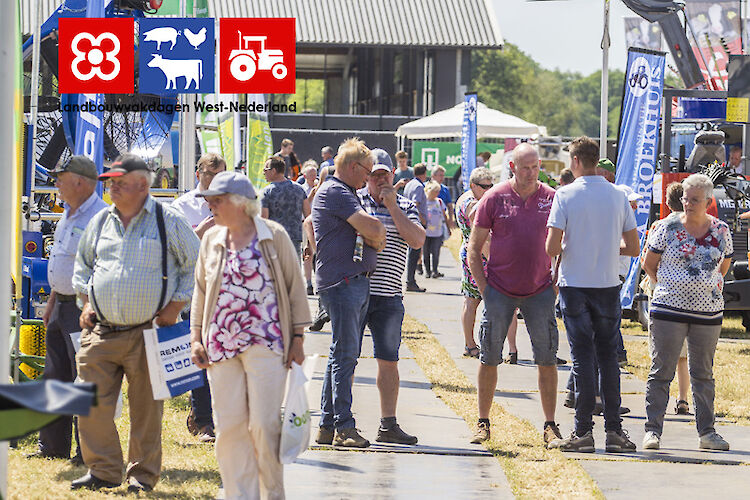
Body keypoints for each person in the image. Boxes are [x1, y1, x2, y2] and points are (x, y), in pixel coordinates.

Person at [71, 154, 200, 491]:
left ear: (143, 185)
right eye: (109, 182)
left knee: (146, 412)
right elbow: (83, 265)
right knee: (87, 401)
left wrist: (175, 306)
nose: (111, 188)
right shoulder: (101, 220)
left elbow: (196, 264)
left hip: (149, 332)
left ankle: (141, 477)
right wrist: (85, 302)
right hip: (100, 331)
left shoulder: (167, 220)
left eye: (118, 182)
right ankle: (104, 470)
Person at [189, 171, 309, 499]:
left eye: (218, 200)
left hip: (267, 343)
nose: (210, 206)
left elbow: (294, 287)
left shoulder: (274, 236)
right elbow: (200, 291)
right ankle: (238, 494)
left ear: (241, 205)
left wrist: (298, 337)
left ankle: (271, 493)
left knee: (264, 426)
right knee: (228, 427)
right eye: (209, 200)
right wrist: (196, 337)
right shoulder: (212, 239)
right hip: (220, 345)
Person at [546, 137, 640, 453]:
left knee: (582, 357)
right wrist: (606, 248)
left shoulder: (565, 195)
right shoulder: (618, 196)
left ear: (574, 162)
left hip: (575, 284)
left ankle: (583, 431)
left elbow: (551, 247)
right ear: (597, 161)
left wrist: (575, 247)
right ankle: (614, 431)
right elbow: (634, 246)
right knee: (609, 358)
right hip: (607, 284)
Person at [468, 143, 563, 448]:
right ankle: (483, 422)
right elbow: (474, 248)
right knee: (489, 357)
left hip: (540, 292)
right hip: (500, 290)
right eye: (526, 167)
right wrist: (486, 289)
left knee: (546, 358)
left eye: (536, 167)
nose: (532, 172)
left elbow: (565, 243)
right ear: (512, 167)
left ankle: (550, 425)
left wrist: (556, 281)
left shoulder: (552, 198)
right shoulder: (495, 198)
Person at [641, 174, 733, 452]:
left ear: (708, 201)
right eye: (685, 199)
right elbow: (649, 263)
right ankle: (652, 431)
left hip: (708, 313)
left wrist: (707, 286)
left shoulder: (721, 230)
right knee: (661, 371)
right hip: (668, 309)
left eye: (695, 200)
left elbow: (725, 264)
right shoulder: (667, 227)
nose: (688, 204)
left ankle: (707, 432)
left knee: (703, 373)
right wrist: (672, 285)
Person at [30, 156, 107, 463]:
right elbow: (62, 261)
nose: (56, 183)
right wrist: (50, 301)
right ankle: (52, 446)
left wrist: (88, 307)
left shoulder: (100, 217)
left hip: (82, 308)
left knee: (83, 379)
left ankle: (85, 450)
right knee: (56, 378)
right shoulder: (68, 214)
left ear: (80, 181)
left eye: (61, 178)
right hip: (60, 306)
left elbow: (102, 266)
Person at [313, 138, 386, 448]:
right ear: (354, 167)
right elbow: (375, 232)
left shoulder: (342, 193)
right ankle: (343, 426)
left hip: (347, 281)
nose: (369, 179)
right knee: (345, 355)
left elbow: (374, 233)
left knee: (339, 354)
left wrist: (374, 233)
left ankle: (328, 425)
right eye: (368, 172)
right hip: (343, 282)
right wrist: (374, 233)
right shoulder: (338, 192)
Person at [358, 148, 425, 445]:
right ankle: (339, 420)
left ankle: (387, 424)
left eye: (385, 174)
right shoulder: (354, 201)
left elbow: (417, 239)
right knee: (346, 357)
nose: (380, 179)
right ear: (367, 176)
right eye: (375, 175)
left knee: (388, 360)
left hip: (388, 295)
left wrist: (393, 208)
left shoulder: (407, 205)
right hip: (356, 292)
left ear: (393, 175)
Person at [171, 152, 227, 443]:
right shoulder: (182, 206)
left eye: (221, 175)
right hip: (195, 291)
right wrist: (202, 230)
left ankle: (217, 417)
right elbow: (174, 249)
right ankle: (204, 420)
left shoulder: (235, 203)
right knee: (201, 355)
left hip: (229, 292)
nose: (215, 181)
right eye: (210, 175)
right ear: (198, 174)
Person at [643, 182, 691, 416]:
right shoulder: (695, 227)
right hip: (688, 297)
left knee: (659, 353)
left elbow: (647, 259)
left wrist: (658, 282)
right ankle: (683, 399)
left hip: (662, 295)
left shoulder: (658, 226)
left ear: (667, 201)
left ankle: (657, 402)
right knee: (684, 355)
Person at [455, 168, 494, 358]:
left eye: (491, 186)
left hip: (475, 251)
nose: (488, 190)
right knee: (473, 301)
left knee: (473, 300)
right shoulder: (471, 203)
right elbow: (476, 222)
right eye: (484, 186)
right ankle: (470, 344)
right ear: (473, 185)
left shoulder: (469, 198)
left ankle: (471, 344)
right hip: (477, 254)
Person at [261, 156, 311, 258]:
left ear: (274, 171)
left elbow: (263, 220)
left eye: (265, 169)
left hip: (274, 241)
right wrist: (309, 244)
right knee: (294, 273)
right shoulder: (299, 189)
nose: (263, 172)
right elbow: (309, 218)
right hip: (294, 241)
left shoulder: (267, 192)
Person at [404, 163, 428, 292]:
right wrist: (422, 219)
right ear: (424, 174)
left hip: (409, 220)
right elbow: (415, 203)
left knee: (412, 253)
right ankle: (410, 281)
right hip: (416, 221)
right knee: (414, 253)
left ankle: (410, 280)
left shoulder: (410, 184)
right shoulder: (418, 186)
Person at [423, 181, 448, 279]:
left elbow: (444, 215)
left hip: (438, 232)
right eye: (435, 191)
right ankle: (427, 271)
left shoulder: (439, 202)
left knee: (436, 252)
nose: (437, 194)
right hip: (426, 232)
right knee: (426, 252)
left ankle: (435, 270)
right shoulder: (424, 201)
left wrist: (448, 227)